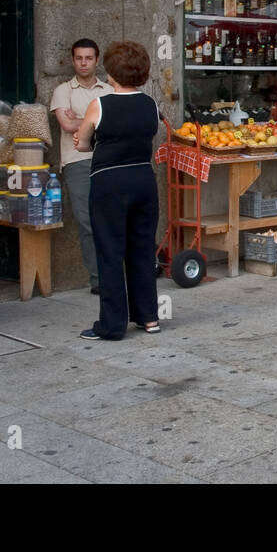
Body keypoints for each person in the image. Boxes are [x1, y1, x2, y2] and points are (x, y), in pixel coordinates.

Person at [73, 41, 161, 340]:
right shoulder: (151, 104)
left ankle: (111, 325)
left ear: (111, 74)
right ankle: (149, 317)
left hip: (109, 182)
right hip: (143, 179)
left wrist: (87, 141)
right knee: (142, 249)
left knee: (110, 253)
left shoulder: (100, 104)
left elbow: (83, 142)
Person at [50, 39, 111, 294]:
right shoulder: (63, 90)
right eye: (79, 58)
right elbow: (66, 125)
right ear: (72, 60)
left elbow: (112, 123)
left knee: (110, 219)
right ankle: (98, 279)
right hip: (77, 161)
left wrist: (82, 119)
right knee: (86, 220)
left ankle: (115, 273)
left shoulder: (108, 89)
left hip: (107, 161)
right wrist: (97, 119)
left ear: (97, 60)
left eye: (88, 58)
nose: (83, 63)